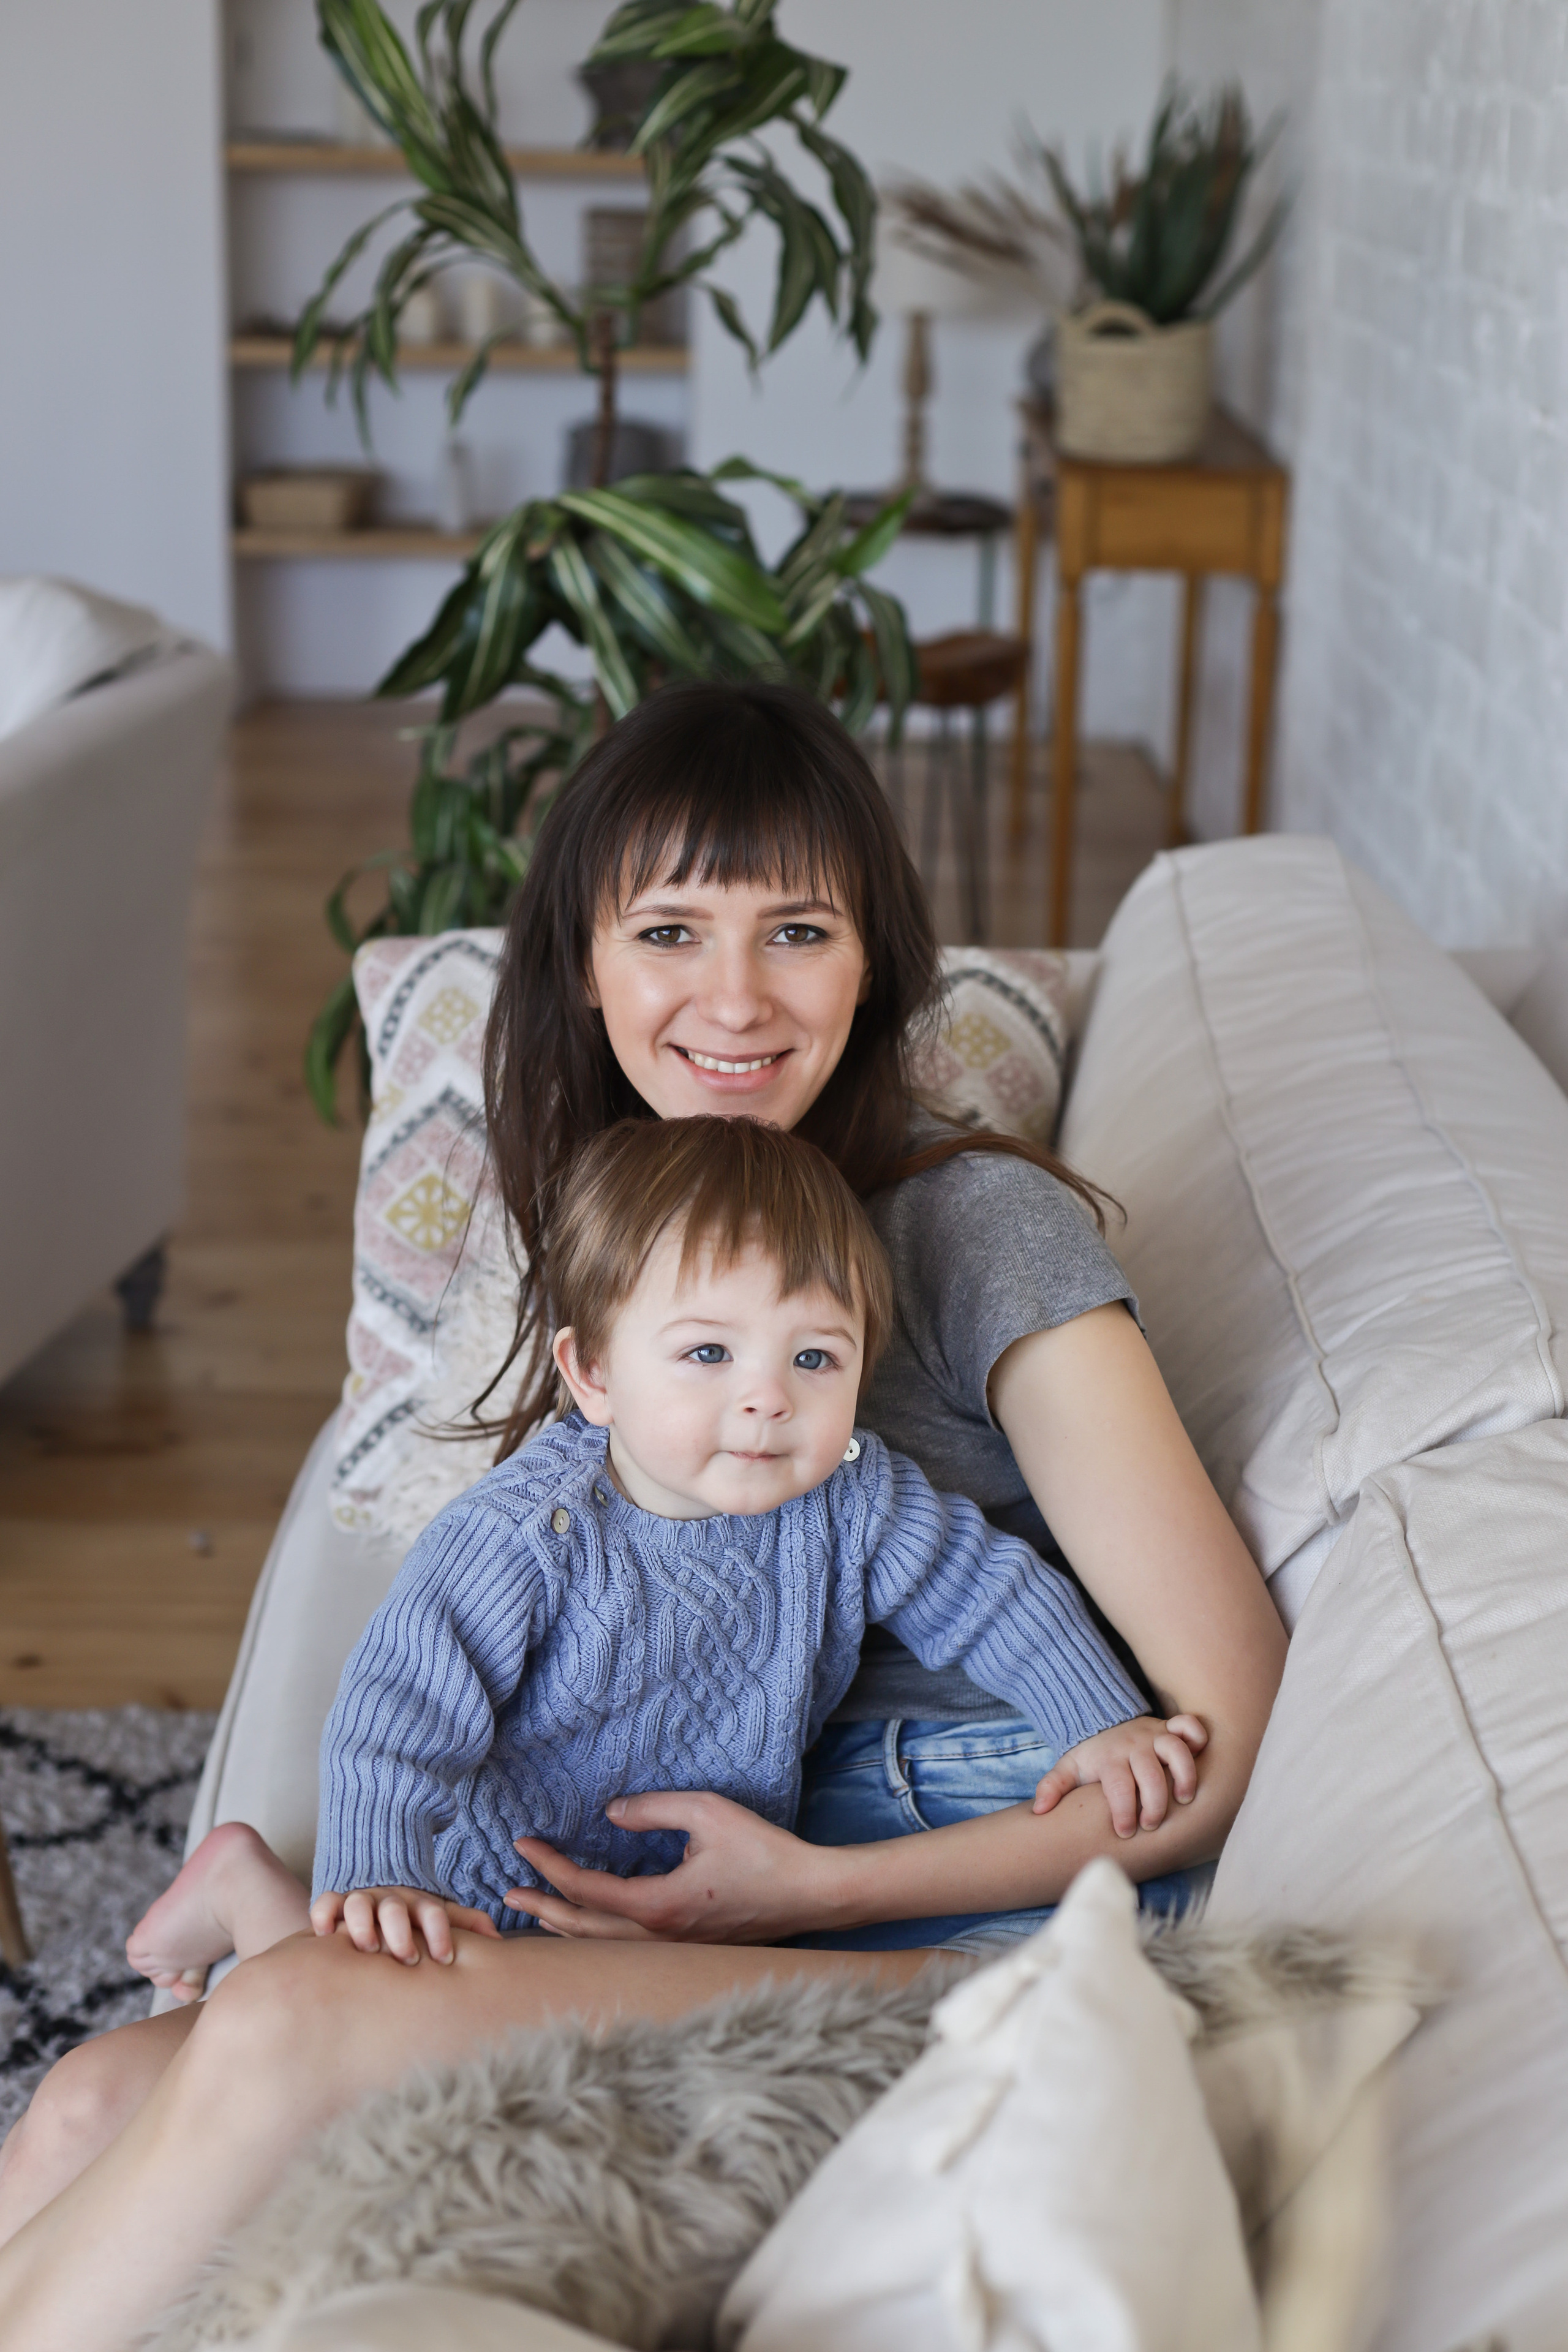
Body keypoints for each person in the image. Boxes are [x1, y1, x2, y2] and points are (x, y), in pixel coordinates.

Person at [0, 679, 1286, 2352]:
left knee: (302, 2014)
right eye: (670, 929)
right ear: (584, 969)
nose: (734, 997)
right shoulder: (617, 1238)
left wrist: (805, 1886)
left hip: (961, 1904)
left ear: (878, 962)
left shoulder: (974, 1234)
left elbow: (1232, 1725)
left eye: (799, 930)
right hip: (686, 1876)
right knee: (94, 2099)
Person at [124, 1115, 1204, 2005]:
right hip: (498, 1893)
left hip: (688, 1910)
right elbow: (399, 1713)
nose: (767, 1395)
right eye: (707, 1353)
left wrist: (1100, 1722)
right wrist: (379, 1877)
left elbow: (995, 1597)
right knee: (376, 2019)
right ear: (592, 1373)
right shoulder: (529, 1535)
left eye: (816, 1356)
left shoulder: (851, 1495)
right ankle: (247, 1890)